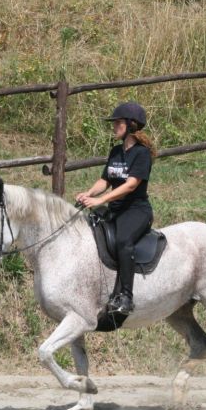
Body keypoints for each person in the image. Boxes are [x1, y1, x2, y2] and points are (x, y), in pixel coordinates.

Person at [76, 101, 156, 315]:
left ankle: (126, 297)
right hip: (116, 209)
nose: (114, 126)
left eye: (118, 123)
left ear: (131, 125)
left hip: (136, 210)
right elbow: (105, 180)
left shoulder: (142, 154)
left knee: (123, 241)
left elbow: (131, 185)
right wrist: (89, 194)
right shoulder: (115, 151)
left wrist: (101, 201)